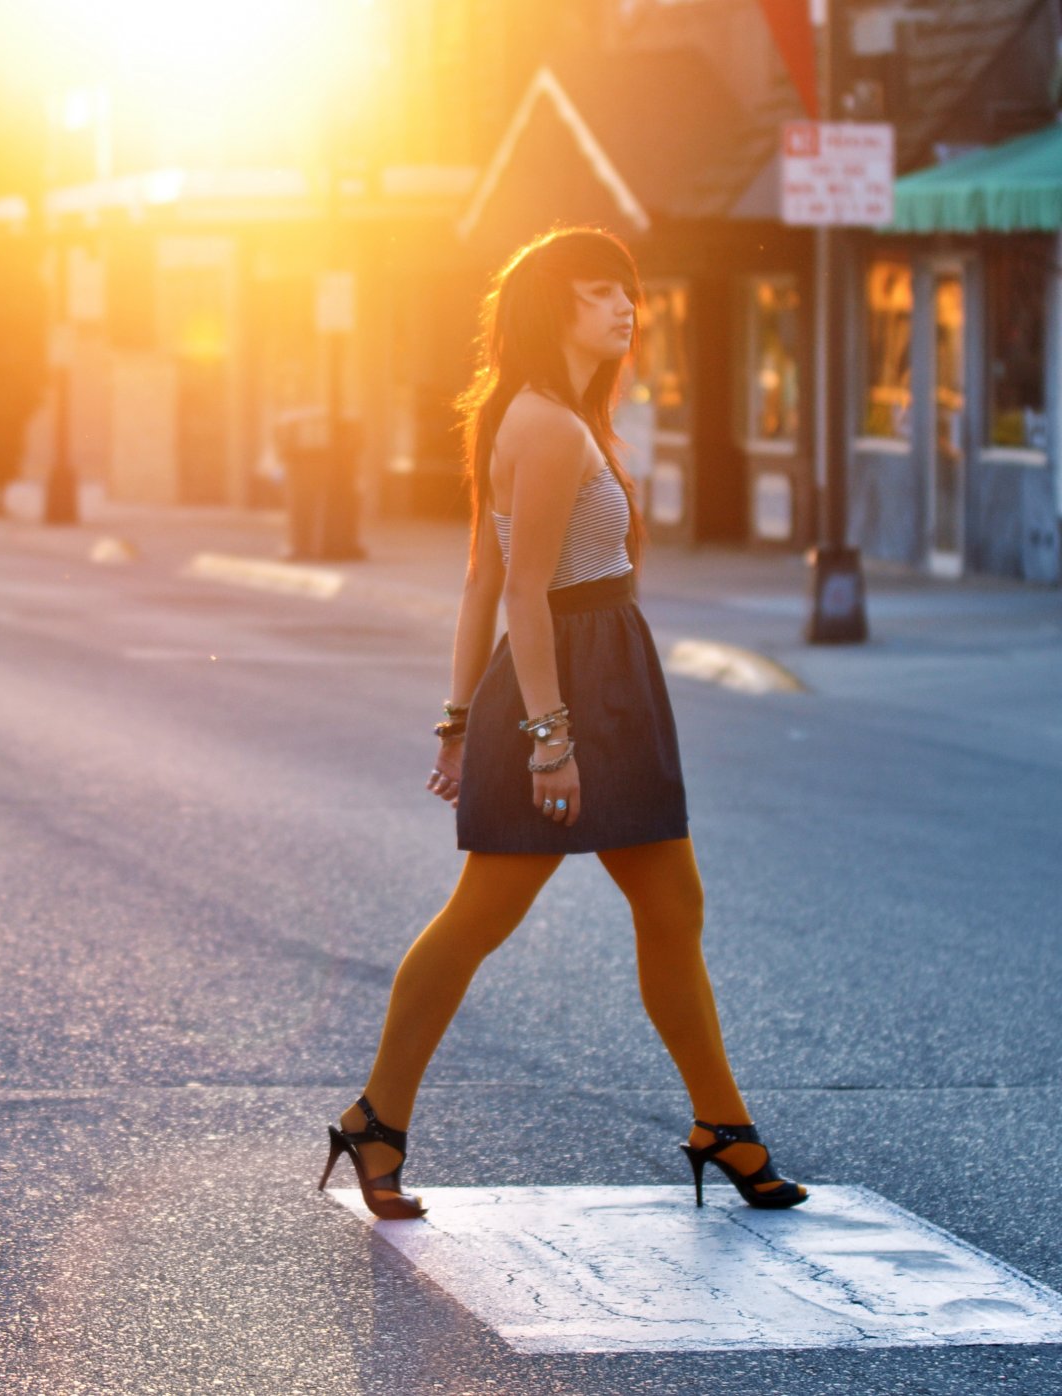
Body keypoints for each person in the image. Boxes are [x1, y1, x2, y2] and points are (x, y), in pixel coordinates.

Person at [319, 227, 806, 1219]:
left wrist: (458, 719)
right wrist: (547, 736)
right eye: (598, 293)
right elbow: (520, 595)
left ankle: (724, 1125)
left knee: (672, 908)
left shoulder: (553, 414)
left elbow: (480, 579)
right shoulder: (544, 425)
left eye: (628, 292)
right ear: (555, 309)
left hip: (603, 683)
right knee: (478, 920)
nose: (625, 308)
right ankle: (377, 1117)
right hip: (571, 689)